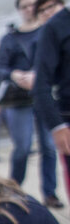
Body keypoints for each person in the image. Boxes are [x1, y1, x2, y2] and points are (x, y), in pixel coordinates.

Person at [0, 0, 63, 208]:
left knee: (49, 146)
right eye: (24, 6)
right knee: (22, 147)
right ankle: (14, 190)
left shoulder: (48, 31)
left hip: (45, 97)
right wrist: (15, 75)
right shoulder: (10, 38)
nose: (29, 9)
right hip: (19, 100)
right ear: (19, 10)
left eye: (33, 5)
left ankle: (50, 194)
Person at [33, 0, 70, 205]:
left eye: (50, 7)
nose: (46, 13)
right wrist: (57, 125)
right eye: (42, 10)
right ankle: (49, 192)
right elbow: (41, 83)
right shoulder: (55, 27)